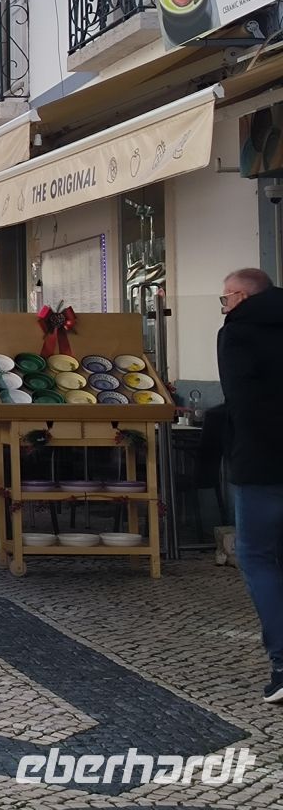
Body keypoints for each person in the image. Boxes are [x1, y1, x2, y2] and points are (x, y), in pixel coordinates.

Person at [216, 267, 283, 702]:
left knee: (257, 557)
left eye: (225, 298)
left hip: (261, 463)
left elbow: (239, 400)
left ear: (240, 297)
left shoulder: (236, 333)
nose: (223, 306)